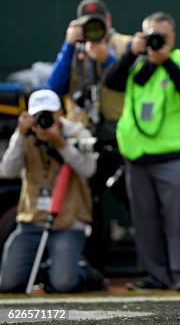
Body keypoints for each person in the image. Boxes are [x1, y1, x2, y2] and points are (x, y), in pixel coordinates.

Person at [104, 12, 180, 292]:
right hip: (136, 156)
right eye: (151, 36)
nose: (156, 41)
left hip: (173, 156)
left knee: (178, 219)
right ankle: (154, 276)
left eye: (162, 36)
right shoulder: (136, 64)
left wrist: (165, 61)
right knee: (144, 221)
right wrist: (129, 53)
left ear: (172, 37)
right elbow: (111, 82)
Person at [46, 0, 131, 270]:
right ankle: (91, 266)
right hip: (82, 136)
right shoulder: (73, 49)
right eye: (87, 23)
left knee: (127, 195)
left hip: (118, 134)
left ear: (108, 21)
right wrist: (69, 45)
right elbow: (53, 90)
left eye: (98, 22)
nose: (94, 28)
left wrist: (107, 58)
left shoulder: (124, 44)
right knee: (87, 204)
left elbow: (133, 80)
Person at [0, 90, 104, 293]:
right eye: (39, 115)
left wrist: (62, 145)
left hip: (68, 220)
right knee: (9, 284)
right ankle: (47, 269)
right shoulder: (25, 134)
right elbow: (7, 171)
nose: (44, 121)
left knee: (63, 284)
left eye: (49, 114)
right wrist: (20, 135)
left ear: (59, 114)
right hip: (32, 220)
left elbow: (89, 169)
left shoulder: (75, 133)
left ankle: (84, 272)